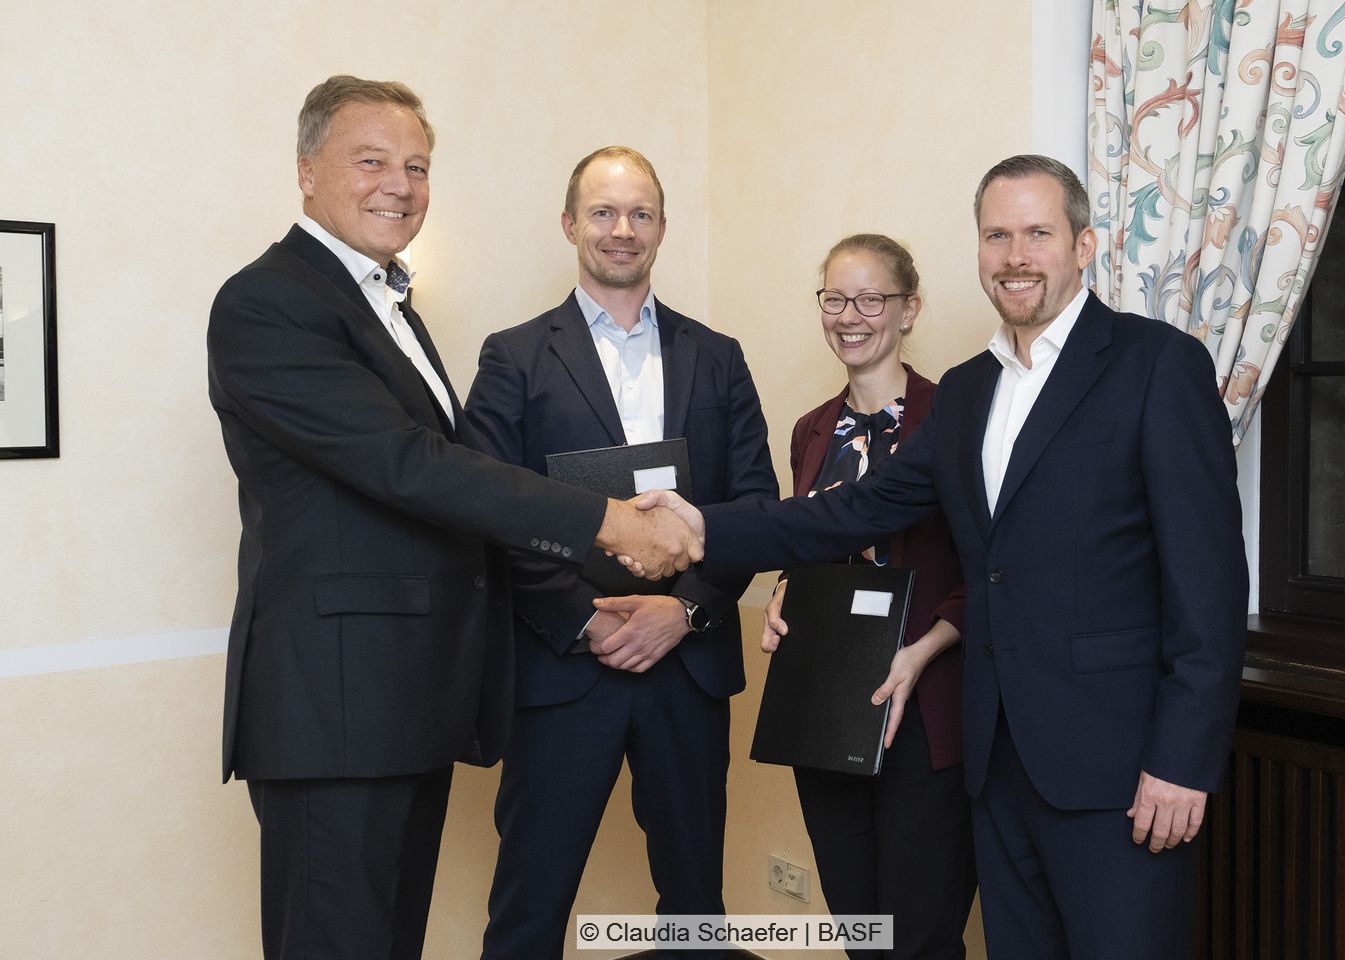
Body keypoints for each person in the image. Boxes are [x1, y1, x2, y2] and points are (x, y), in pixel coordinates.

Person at [639, 155, 1248, 960]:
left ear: (1086, 244)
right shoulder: (968, 391)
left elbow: (1208, 583)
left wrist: (1182, 762)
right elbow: (855, 510)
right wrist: (704, 530)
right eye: (997, 235)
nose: (1016, 255)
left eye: (1038, 232)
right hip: (994, 769)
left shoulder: (1156, 365)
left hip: (1119, 774)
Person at [207, 79, 698, 960]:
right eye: (372, 161)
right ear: (306, 171)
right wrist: (609, 525)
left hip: (402, 699)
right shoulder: (267, 303)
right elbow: (414, 468)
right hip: (335, 709)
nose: (399, 184)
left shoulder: (386, 301)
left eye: (418, 166)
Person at [464, 146, 778, 959]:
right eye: (603, 212)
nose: (622, 229)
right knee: (530, 905)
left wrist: (685, 610)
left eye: (640, 213)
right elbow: (488, 509)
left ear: (663, 228)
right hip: (562, 669)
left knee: (695, 910)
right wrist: (586, 623)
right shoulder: (514, 357)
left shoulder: (719, 356)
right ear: (570, 224)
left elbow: (754, 508)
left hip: (687, 666)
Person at [762, 234, 975, 959]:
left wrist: (924, 650)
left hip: (926, 708)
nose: (850, 315)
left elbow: (997, 573)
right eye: (834, 298)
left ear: (908, 309)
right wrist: (784, 593)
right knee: (863, 933)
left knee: (919, 939)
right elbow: (814, 544)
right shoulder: (811, 432)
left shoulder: (958, 421)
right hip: (826, 712)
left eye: (870, 298)